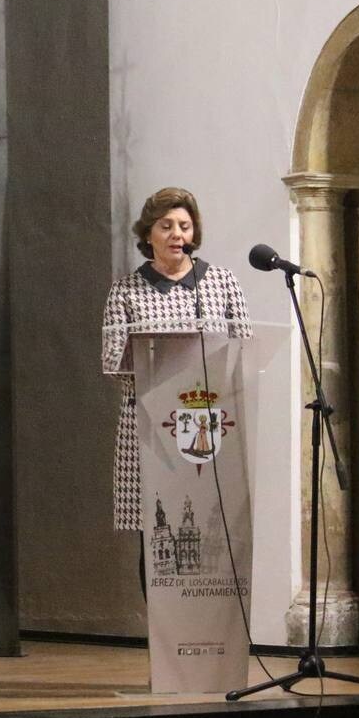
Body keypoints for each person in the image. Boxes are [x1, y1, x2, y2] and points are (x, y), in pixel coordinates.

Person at [101, 187, 252, 588]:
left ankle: (210, 641)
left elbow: (246, 351)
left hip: (211, 425)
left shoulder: (221, 283)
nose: (175, 234)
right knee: (157, 535)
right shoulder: (126, 291)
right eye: (165, 226)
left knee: (211, 530)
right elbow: (112, 362)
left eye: (184, 226)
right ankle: (164, 642)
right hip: (148, 427)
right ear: (148, 234)